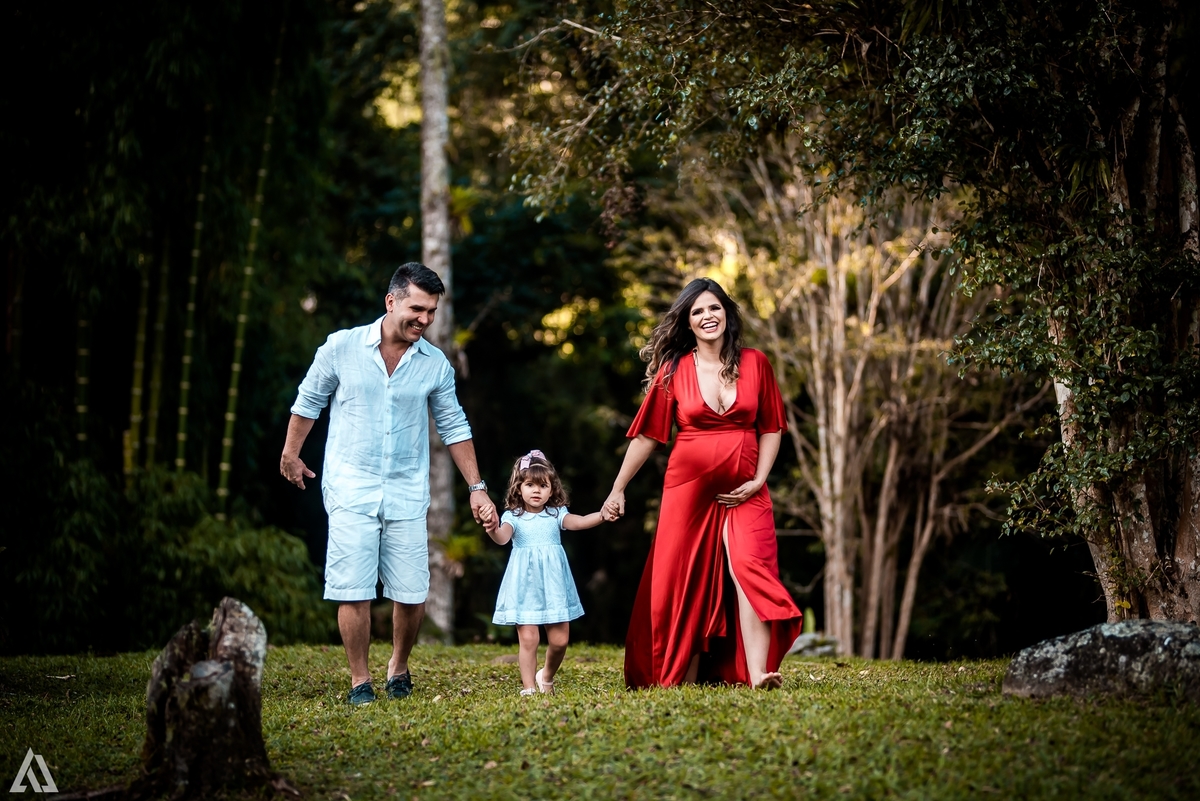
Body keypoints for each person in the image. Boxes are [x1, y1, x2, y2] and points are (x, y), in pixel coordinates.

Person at [280, 262, 498, 706]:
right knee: (353, 586)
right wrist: (290, 453)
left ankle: (398, 666)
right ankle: (360, 681)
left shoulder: (434, 364)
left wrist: (477, 486)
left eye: (432, 311)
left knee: (411, 590)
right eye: (417, 308)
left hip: (406, 489)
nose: (424, 319)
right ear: (391, 301)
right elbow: (309, 400)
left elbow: (454, 425)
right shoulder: (342, 347)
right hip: (349, 484)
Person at [603, 278, 802, 689]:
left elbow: (772, 427)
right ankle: (680, 675)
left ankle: (759, 672)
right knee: (683, 580)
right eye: (697, 312)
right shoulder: (674, 370)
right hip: (687, 492)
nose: (707, 317)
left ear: (727, 314)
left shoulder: (756, 362)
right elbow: (647, 437)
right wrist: (617, 488)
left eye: (714, 308)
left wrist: (759, 479)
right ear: (688, 323)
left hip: (747, 490)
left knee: (751, 567)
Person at [485, 450, 606, 696]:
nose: (536, 490)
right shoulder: (513, 517)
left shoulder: (556, 514)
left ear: (552, 490)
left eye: (543, 485)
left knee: (560, 641)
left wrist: (603, 515)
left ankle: (546, 676)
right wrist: (491, 527)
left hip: (554, 586)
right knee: (529, 640)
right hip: (525, 585)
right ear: (519, 488)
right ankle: (529, 689)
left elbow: (580, 521)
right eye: (529, 484)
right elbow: (501, 538)